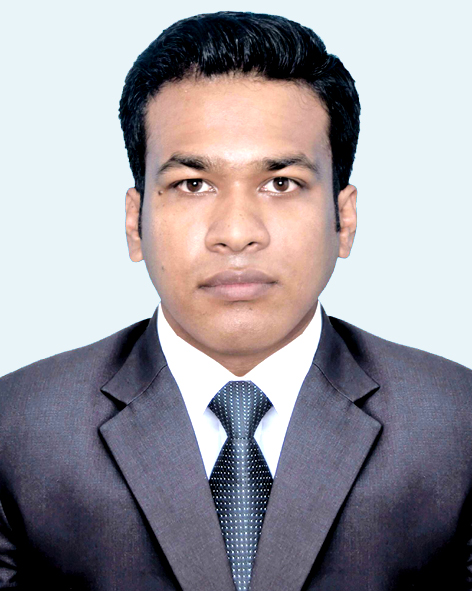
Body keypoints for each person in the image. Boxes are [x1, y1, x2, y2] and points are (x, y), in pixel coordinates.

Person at [0, 10, 471, 591]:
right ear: (134, 222)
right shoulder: (17, 427)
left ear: (344, 219)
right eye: (192, 184)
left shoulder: (457, 423)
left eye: (281, 183)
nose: (237, 232)